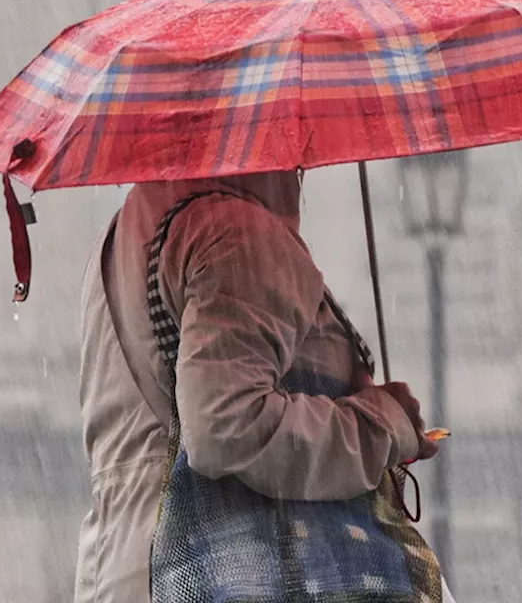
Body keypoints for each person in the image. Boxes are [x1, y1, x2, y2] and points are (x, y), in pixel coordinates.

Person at [73, 170, 452, 603]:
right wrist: (381, 426)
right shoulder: (236, 233)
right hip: (244, 573)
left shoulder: (128, 234)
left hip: (131, 566)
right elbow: (226, 428)